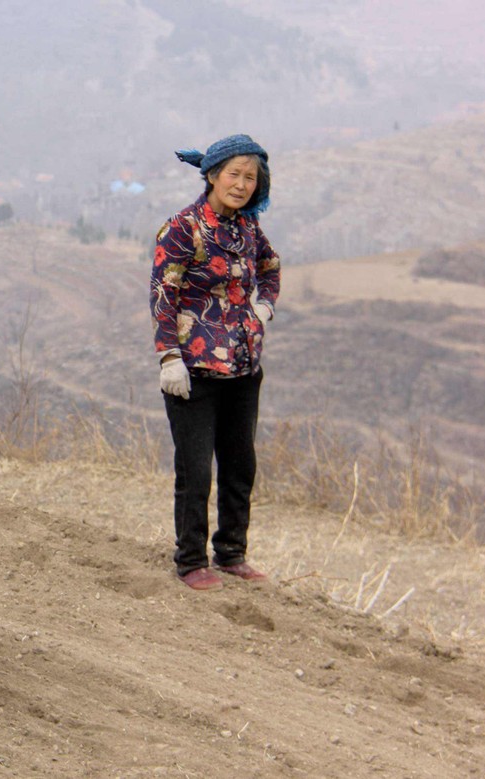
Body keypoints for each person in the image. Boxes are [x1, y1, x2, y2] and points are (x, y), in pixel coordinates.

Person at [149, 134, 281, 591]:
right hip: (194, 371)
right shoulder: (182, 228)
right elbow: (163, 296)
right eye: (234, 175)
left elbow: (270, 268)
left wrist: (264, 309)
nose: (242, 185)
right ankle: (190, 560)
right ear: (211, 175)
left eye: (251, 178)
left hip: (244, 367)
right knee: (196, 469)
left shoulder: (248, 229)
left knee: (240, 463)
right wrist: (169, 358)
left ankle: (231, 553)